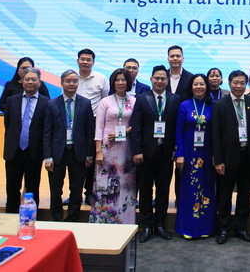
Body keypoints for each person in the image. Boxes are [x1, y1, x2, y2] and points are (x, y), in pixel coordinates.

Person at [130, 65, 181, 242]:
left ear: (167, 80)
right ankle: (146, 226)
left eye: (163, 78)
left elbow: (177, 127)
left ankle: (160, 224)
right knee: (145, 191)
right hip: (145, 153)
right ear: (151, 79)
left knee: (163, 191)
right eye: (157, 78)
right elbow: (136, 126)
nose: (160, 81)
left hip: (166, 153)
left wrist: (176, 149)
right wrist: (137, 151)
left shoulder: (175, 99)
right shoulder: (142, 98)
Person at [212, 70, 250, 244]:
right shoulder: (220, 104)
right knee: (224, 195)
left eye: (242, 83)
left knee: (244, 194)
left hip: (248, 156)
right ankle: (223, 228)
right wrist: (218, 159)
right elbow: (216, 134)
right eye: (235, 83)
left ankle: (241, 228)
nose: (239, 86)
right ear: (229, 83)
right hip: (227, 158)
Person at [44, 69, 95, 222]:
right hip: (57, 153)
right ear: (61, 83)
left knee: (76, 190)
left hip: (78, 153)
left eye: (74, 81)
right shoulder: (52, 104)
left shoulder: (85, 103)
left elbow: (90, 131)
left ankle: (73, 219)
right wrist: (48, 157)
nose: (71, 84)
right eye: (68, 81)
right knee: (55, 190)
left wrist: (89, 154)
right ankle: (57, 220)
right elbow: (47, 133)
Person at [90, 68, 136, 224]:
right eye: (117, 80)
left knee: (125, 185)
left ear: (128, 82)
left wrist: (124, 132)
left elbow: (137, 125)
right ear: (113, 82)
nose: (120, 83)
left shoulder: (134, 101)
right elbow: (99, 127)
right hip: (107, 149)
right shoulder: (105, 101)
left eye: (123, 80)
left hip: (126, 149)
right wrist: (98, 151)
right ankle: (104, 220)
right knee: (105, 185)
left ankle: (126, 221)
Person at [174, 73, 217, 239]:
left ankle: (205, 227)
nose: (199, 87)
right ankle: (188, 228)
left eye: (202, 84)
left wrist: (216, 155)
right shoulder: (184, 105)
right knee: (189, 188)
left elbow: (217, 132)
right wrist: (179, 154)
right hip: (188, 153)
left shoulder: (213, 104)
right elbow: (178, 131)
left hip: (208, 152)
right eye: (196, 84)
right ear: (191, 87)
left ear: (207, 86)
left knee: (207, 188)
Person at [3, 67, 50, 213]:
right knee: (12, 189)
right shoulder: (11, 101)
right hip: (14, 151)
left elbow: (47, 129)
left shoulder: (47, 103)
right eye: (27, 79)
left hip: (34, 152)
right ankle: (11, 218)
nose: (30, 82)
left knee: (32, 189)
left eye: (34, 79)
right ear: (22, 81)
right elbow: (8, 124)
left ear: (39, 82)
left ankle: (32, 219)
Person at [76, 48, 109, 203]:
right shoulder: (72, 77)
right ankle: (74, 194)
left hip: (94, 121)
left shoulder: (101, 78)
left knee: (92, 157)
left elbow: (104, 100)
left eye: (88, 60)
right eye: (82, 59)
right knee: (76, 158)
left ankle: (89, 192)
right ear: (78, 61)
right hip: (75, 122)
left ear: (93, 62)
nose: (85, 62)